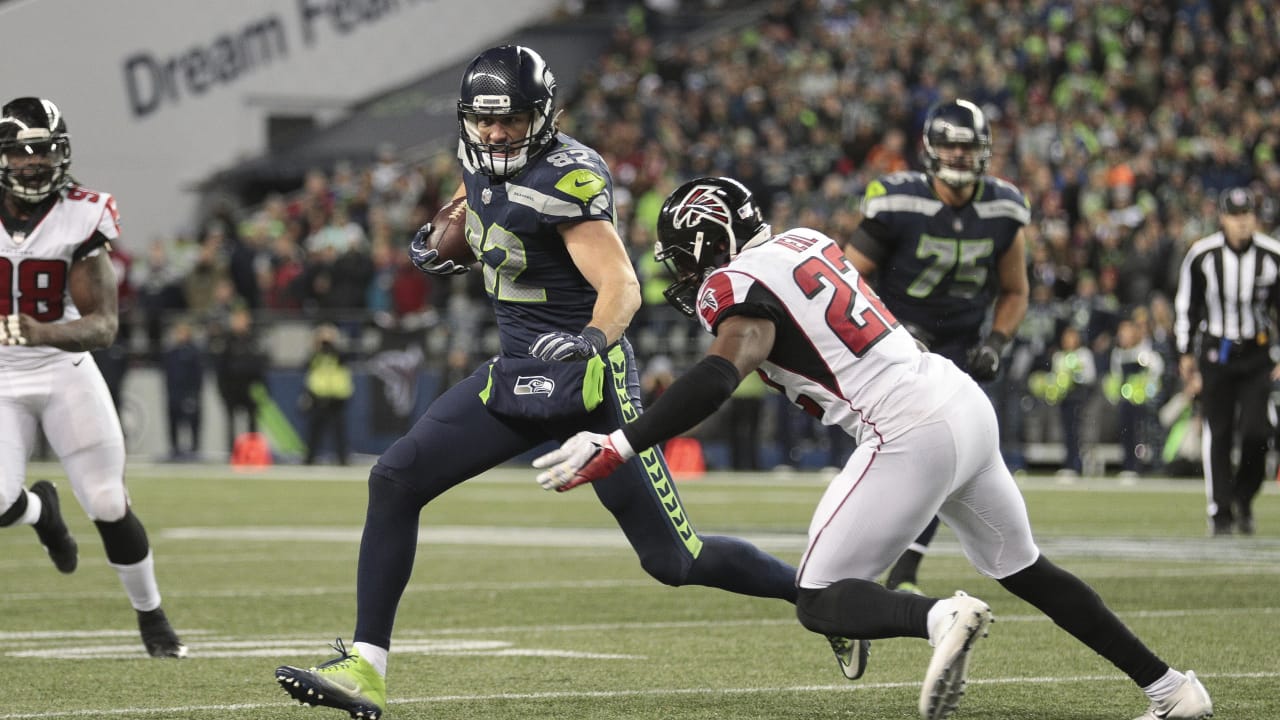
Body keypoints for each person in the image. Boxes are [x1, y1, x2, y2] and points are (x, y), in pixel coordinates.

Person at [533, 177, 1213, 720]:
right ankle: (1172, 688)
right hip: (955, 400)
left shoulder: (732, 284)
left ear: (712, 242)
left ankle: (939, 615)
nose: (684, 277)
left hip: (905, 427)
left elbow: (720, 374)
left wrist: (622, 442)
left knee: (819, 598)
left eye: (684, 259)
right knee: (1027, 569)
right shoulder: (806, 240)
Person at [273, 46, 809, 720]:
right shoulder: (474, 156)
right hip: (520, 373)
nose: (496, 133)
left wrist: (588, 340)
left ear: (543, 115)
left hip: (589, 381)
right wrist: (449, 235)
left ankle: (812, 595)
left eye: (513, 119)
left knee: (675, 560)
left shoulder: (570, 176)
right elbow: (475, 208)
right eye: (485, 120)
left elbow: (622, 285)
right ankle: (366, 669)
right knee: (395, 479)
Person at [0, 97, 186, 658]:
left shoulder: (82, 213)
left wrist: (40, 332)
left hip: (62, 369)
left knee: (107, 501)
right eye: (22, 152)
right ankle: (43, 513)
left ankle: (152, 618)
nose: (34, 163)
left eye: (45, 151)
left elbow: (104, 326)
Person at [840, 99, 1029, 593]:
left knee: (951, 458)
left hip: (963, 345)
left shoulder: (1004, 208)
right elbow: (844, 279)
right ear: (930, 149)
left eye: (968, 148)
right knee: (905, 454)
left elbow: (1015, 290)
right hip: (897, 343)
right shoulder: (896, 202)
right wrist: (892, 330)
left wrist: (997, 341)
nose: (960, 157)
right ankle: (866, 565)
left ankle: (901, 572)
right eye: (950, 146)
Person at [1174, 186, 1280, 536]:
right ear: (1222, 218)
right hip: (1215, 353)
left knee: (1256, 432)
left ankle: (1243, 498)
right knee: (1217, 432)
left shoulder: (1272, 255)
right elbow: (1187, 305)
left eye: (1247, 214)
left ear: (1255, 217)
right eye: (1235, 216)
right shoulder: (1203, 255)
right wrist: (1185, 352)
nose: (1241, 222)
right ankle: (1220, 511)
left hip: (1256, 353)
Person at [301, 323, 354, 466]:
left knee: (339, 431)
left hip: (336, 398)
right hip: (318, 397)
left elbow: (346, 358)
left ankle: (343, 459)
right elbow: (305, 365)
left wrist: (332, 346)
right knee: (314, 431)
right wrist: (317, 347)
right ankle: (309, 459)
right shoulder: (315, 356)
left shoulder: (338, 355)